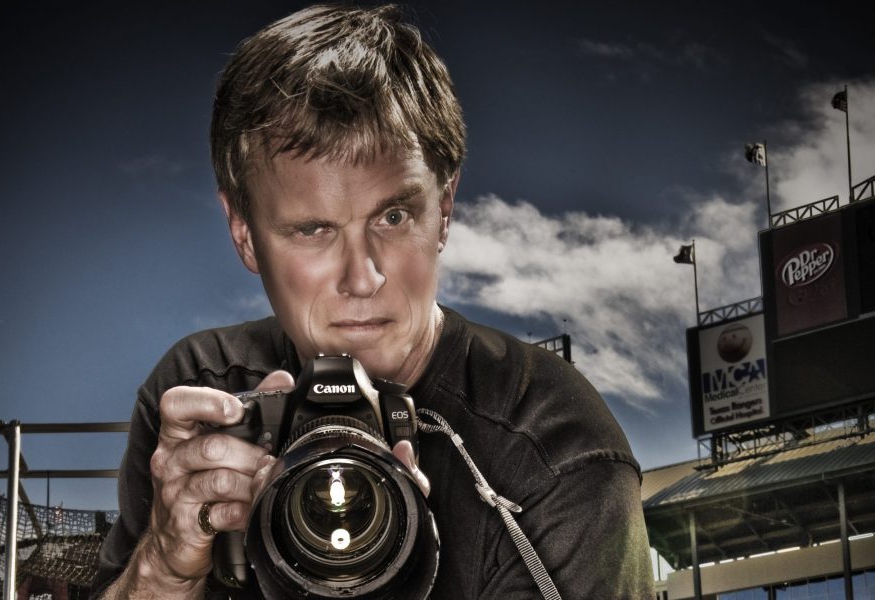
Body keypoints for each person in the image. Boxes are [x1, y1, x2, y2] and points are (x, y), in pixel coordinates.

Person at [91, 4, 654, 599]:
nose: (362, 279)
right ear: (243, 233)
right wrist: (164, 568)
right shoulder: (206, 397)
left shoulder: (550, 446)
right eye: (313, 229)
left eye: (393, 216)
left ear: (444, 209)